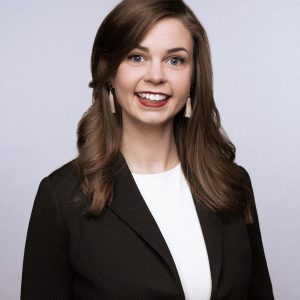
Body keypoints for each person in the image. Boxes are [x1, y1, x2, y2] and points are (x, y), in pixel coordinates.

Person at [21, 0, 274, 299]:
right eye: (137, 57)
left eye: (175, 60)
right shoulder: (61, 198)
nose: (156, 75)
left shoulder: (233, 184)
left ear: (193, 77)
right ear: (109, 71)